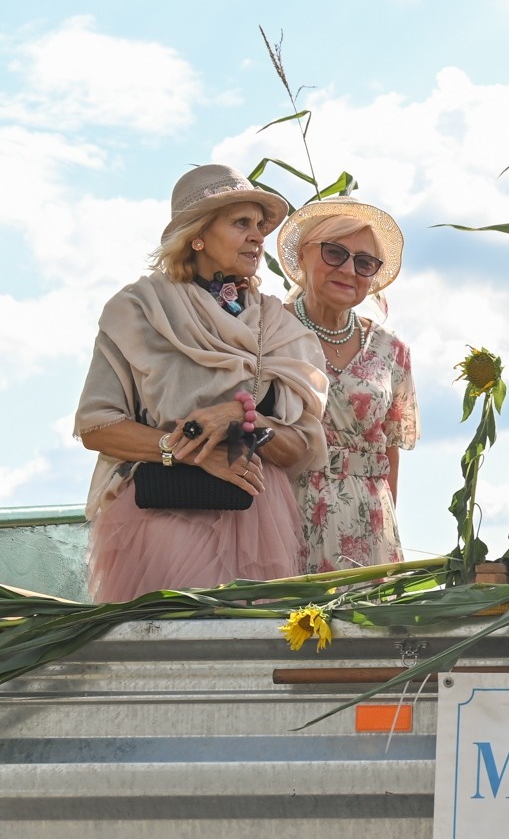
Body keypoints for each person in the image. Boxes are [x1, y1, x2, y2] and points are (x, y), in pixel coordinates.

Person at [73, 164, 327, 602]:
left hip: (259, 523)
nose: (257, 236)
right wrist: (188, 453)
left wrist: (241, 417)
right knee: (176, 641)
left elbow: (300, 448)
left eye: (259, 225)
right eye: (241, 223)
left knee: (254, 644)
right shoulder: (139, 309)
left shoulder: (276, 323)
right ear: (198, 236)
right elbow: (98, 426)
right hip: (169, 515)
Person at [278, 196, 419, 573]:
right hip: (284, 512)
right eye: (334, 253)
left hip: (369, 523)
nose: (348, 269)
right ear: (304, 255)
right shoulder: (268, 329)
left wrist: (385, 532)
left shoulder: (392, 350)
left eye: (364, 262)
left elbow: (390, 451)